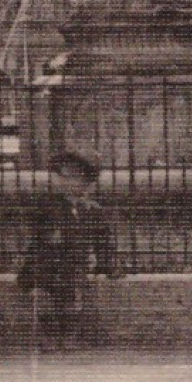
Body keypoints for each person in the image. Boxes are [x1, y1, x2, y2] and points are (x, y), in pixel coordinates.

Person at [18, 149, 121, 351]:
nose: (67, 182)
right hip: (46, 264)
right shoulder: (48, 206)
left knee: (72, 298)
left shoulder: (92, 211)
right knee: (45, 298)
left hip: (73, 265)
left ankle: (68, 335)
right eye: (63, 176)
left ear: (87, 182)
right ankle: (49, 335)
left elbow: (103, 241)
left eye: (74, 177)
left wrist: (107, 265)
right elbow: (35, 236)